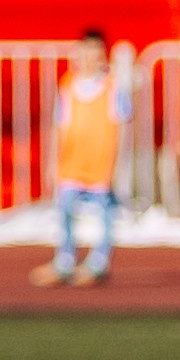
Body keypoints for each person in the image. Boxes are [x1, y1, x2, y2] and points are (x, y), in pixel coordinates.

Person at [29, 28, 128, 288]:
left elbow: (122, 127)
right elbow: (59, 125)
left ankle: (98, 262)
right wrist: (53, 161)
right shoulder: (68, 85)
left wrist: (117, 164)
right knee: (64, 211)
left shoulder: (112, 87)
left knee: (104, 215)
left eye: (94, 51)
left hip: (100, 163)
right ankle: (64, 260)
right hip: (72, 161)